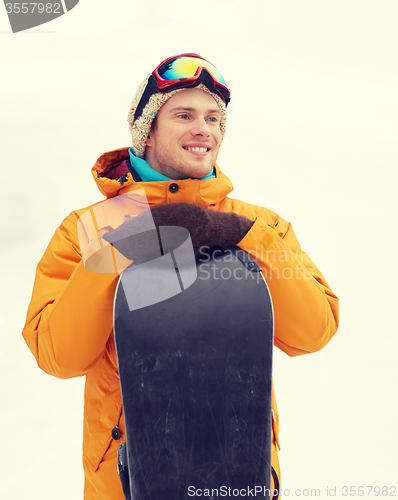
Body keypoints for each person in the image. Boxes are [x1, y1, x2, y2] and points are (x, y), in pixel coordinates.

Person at [22, 53, 339, 500]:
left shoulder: (261, 225)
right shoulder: (86, 229)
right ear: (147, 129)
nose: (203, 129)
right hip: (126, 484)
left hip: (242, 478)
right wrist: (121, 248)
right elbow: (59, 355)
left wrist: (247, 237)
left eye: (214, 118)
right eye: (184, 115)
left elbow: (312, 333)